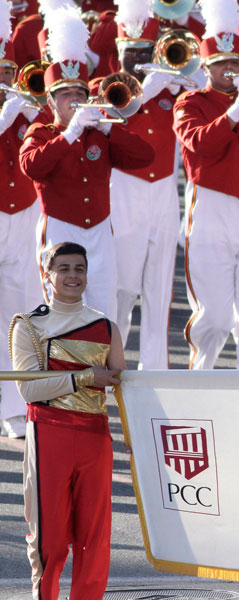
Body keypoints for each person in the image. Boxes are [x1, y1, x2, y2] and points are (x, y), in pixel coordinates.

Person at [19, 6, 154, 319]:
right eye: (65, 93)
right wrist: (70, 133)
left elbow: (144, 158)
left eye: (79, 91)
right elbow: (32, 166)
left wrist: (109, 129)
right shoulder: (43, 132)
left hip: (100, 229)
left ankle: (102, 369)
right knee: (61, 311)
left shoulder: (99, 133)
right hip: (60, 227)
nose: (74, 99)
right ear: (51, 101)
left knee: (102, 309)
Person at [9, 241, 126, 600]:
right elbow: (29, 391)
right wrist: (85, 378)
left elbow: (125, 388)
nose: (73, 276)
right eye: (64, 268)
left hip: (95, 437)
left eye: (79, 269)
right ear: (47, 276)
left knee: (94, 539)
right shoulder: (28, 326)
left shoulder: (106, 327)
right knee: (50, 539)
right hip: (49, 435)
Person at [173, 0, 239, 369]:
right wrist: (235, 112)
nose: (231, 70)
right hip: (211, 208)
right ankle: (200, 384)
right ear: (206, 67)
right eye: (223, 64)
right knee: (213, 318)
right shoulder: (191, 102)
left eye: (236, 63)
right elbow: (200, 142)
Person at [108, 1, 183, 370]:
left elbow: (206, 90)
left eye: (143, 51)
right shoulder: (107, 86)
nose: (136, 60)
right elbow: (113, 114)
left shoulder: (170, 88)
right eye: (129, 52)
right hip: (125, 188)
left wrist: (186, 76)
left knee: (159, 286)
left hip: (165, 188)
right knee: (122, 287)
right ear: (118, 52)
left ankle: (155, 370)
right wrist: (146, 92)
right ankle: (114, 362)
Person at [0, 0, 45, 439]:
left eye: (8, 72)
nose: (6, 80)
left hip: (21, 212)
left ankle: (16, 405)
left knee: (19, 312)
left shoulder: (22, 103)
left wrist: (35, 114)